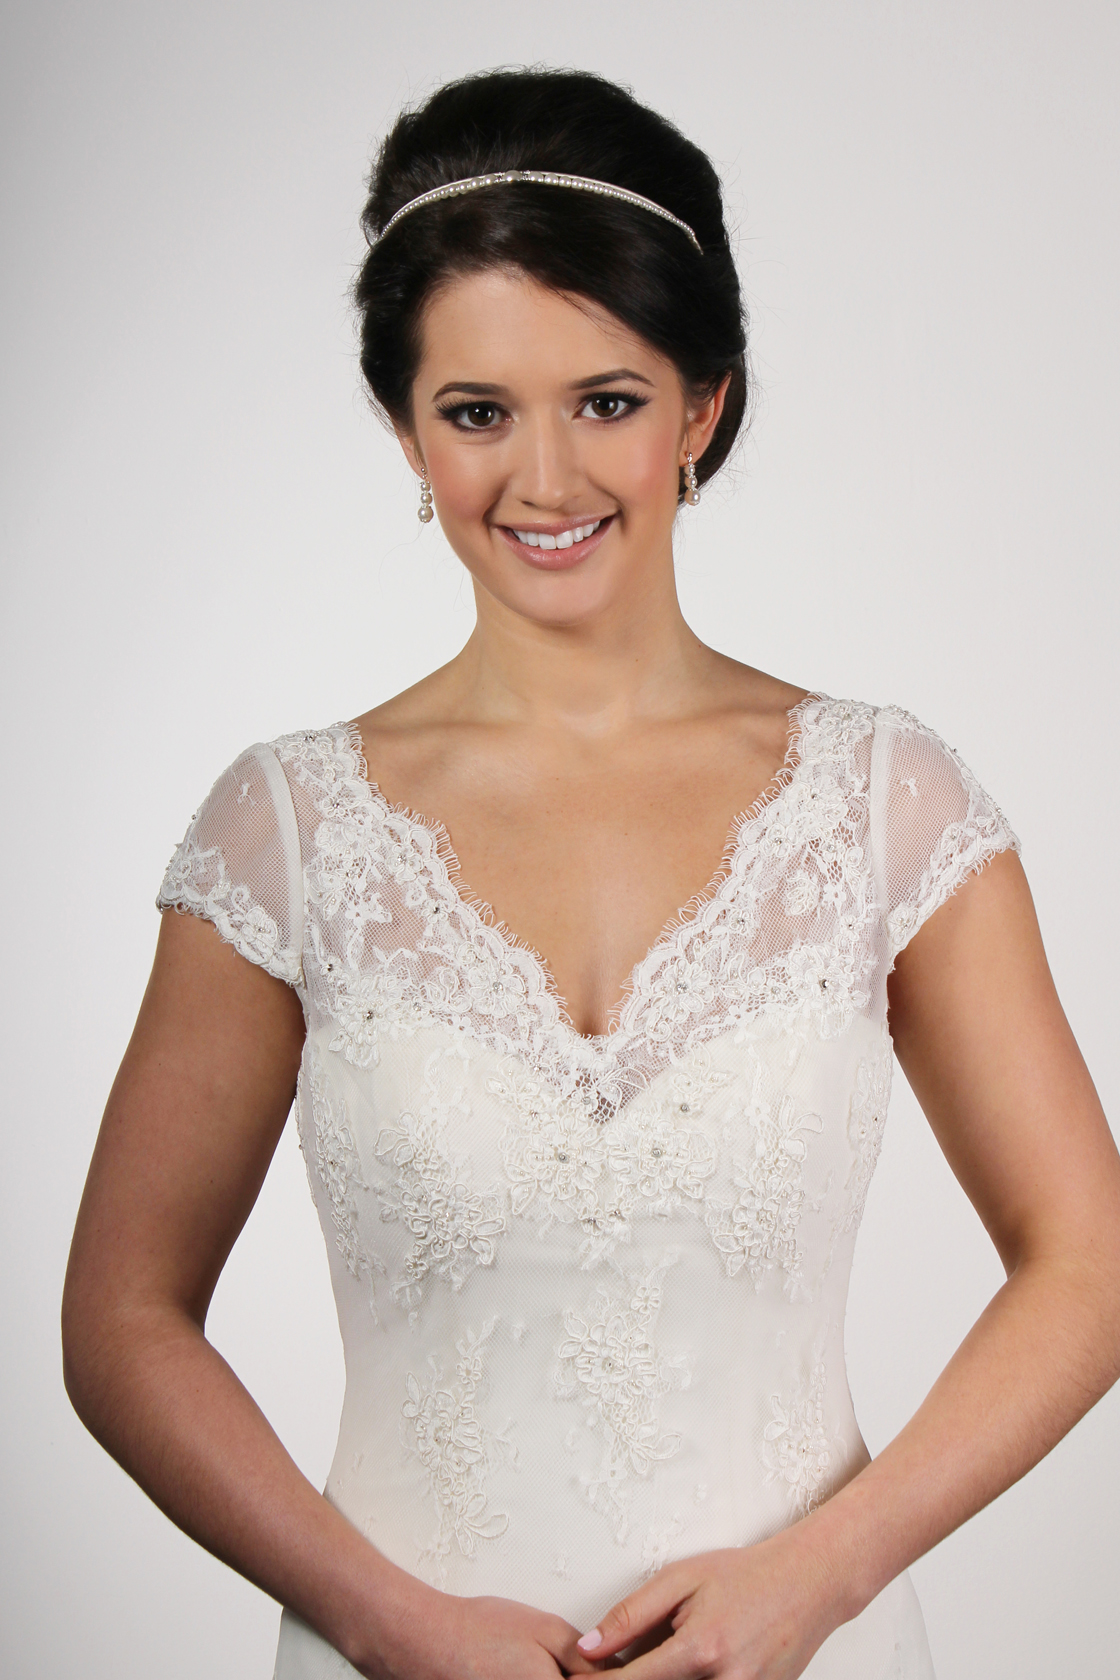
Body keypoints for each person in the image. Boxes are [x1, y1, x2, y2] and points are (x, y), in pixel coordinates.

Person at [62, 67, 1120, 1680]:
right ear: (406, 430)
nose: (544, 480)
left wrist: (823, 1576)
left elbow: (1090, 1267)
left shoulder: (885, 801)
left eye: (607, 401)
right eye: (477, 412)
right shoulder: (287, 827)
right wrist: (389, 1624)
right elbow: (123, 1322)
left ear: (703, 407)